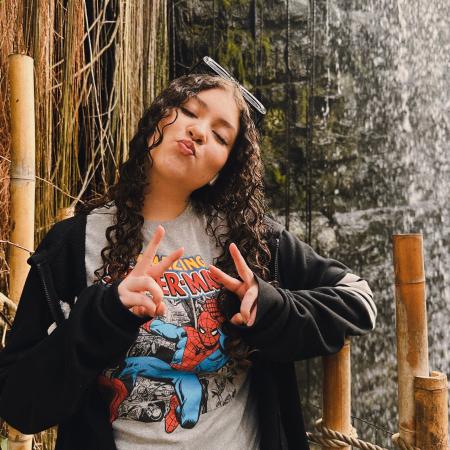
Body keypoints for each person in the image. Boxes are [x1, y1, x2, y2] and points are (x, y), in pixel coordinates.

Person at [0, 72, 376, 450]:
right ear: (157, 119)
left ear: (223, 168)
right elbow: (19, 403)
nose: (199, 132)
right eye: (189, 111)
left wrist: (274, 309)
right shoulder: (72, 245)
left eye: (220, 135)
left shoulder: (250, 241)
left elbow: (359, 299)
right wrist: (105, 314)